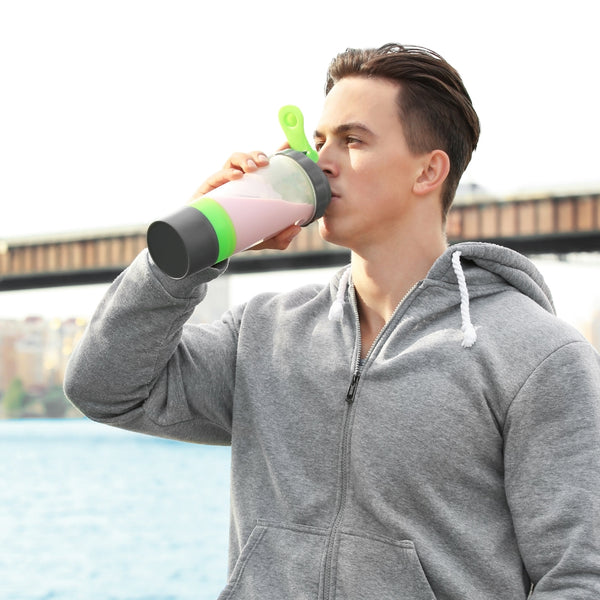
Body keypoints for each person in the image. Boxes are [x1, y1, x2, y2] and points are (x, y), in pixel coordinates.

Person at [64, 43, 600, 599]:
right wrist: (194, 242)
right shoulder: (262, 335)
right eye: (318, 141)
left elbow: (578, 578)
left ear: (427, 171)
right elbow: (104, 390)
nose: (321, 160)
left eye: (353, 140)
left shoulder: (538, 357)